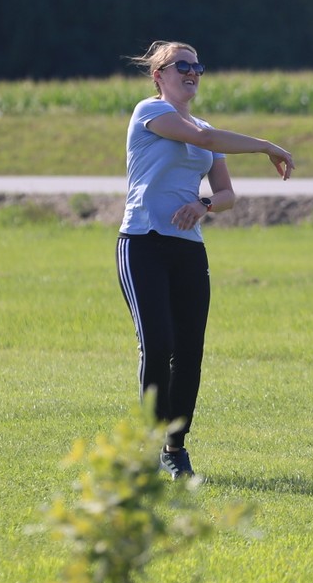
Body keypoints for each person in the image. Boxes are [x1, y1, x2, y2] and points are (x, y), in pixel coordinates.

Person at [116, 40, 294, 480]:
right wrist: (267, 145)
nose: (192, 72)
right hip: (142, 242)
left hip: (187, 248)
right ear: (159, 76)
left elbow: (228, 194)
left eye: (197, 66)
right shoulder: (149, 112)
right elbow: (205, 140)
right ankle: (149, 444)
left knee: (189, 352)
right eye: (182, 66)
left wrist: (205, 206)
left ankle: (175, 448)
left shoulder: (203, 126)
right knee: (158, 345)